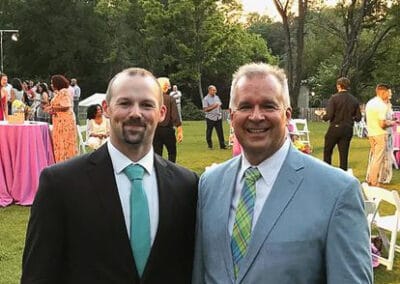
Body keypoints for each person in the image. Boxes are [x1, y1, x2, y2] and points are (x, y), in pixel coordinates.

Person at [192, 63, 372, 283]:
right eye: (246, 106)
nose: (256, 116)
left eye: (268, 106)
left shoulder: (338, 191)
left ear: (287, 115)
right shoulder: (210, 183)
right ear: (232, 115)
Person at [21, 67, 198, 283]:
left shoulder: (186, 185)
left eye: (146, 104)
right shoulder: (60, 184)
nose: (135, 113)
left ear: (161, 113)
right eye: (125, 103)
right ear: (106, 108)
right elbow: (38, 275)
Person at [321, 77, 362, 170]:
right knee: (344, 154)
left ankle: (326, 171)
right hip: (347, 129)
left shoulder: (334, 98)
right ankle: (343, 174)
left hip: (335, 128)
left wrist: (322, 116)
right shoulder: (354, 100)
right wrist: (351, 118)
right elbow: (358, 118)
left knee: (328, 151)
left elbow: (329, 115)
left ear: (338, 86)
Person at [365, 84, 395, 186]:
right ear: (383, 92)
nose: (389, 94)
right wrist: (392, 123)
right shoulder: (381, 105)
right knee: (378, 159)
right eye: (388, 92)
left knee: (374, 158)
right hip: (380, 134)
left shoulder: (370, 102)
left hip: (371, 133)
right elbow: (382, 124)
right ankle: (373, 181)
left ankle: (370, 177)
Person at [45, 75, 77, 162]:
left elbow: (66, 106)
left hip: (65, 122)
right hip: (59, 120)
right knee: (60, 141)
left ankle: (65, 160)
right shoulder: (59, 92)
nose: (51, 85)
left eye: (52, 83)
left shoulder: (64, 91)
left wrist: (53, 109)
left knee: (65, 142)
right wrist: (53, 110)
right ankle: (60, 160)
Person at [153, 77, 183, 163]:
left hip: (155, 130)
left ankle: (158, 170)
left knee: (157, 153)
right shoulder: (170, 99)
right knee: (172, 152)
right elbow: (175, 116)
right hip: (167, 130)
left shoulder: (153, 99)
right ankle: (172, 169)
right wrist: (180, 131)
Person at [202, 85, 227, 149]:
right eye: (213, 90)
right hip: (210, 118)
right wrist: (214, 106)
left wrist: (220, 112)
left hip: (218, 117)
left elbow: (219, 105)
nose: (215, 91)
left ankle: (222, 145)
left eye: (215, 90)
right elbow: (205, 109)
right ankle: (210, 146)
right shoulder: (206, 99)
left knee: (220, 132)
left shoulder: (217, 97)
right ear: (209, 90)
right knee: (209, 132)